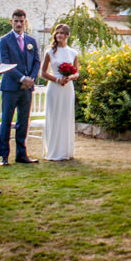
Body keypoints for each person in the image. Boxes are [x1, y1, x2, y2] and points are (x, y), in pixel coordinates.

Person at [0, 8, 41, 165]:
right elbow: (5, 64)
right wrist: (22, 78)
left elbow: (37, 61)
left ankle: (21, 155)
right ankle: (4, 156)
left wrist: (31, 79)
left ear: (25, 22)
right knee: (7, 121)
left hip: (26, 89)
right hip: (10, 88)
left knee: (23, 121)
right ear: (11, 22)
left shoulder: (31, 41)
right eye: (16, 21)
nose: (18, 24)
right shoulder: (4, 40)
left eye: (21, 21)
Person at [39, 23, 78, 161]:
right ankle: (53, 151)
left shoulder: (73, 53)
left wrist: (69, 77)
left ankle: (66, 151)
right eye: (57, 33)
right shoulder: (49, 52)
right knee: (54, 116)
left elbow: (77, 73)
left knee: (66, 117)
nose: (59, 35)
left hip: (67, 88)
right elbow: (42, 73)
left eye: (62, 33)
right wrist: (56, 79)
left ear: (67, 36)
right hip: (54, 88)